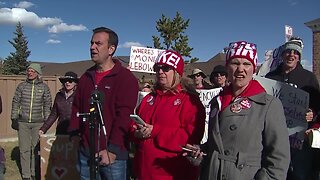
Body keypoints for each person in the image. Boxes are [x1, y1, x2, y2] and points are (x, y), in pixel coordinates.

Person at [184, 41, 290, 180]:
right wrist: (200, 152)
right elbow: (218, 144)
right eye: (235, 63)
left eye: (246, 64)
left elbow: (278, 159)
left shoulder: (269, 105)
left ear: (254, 69)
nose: (241, 69)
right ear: (228, 67)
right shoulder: (217, 102)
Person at [68, 27, 139, 180]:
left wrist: (112, 150)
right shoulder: (86, 77)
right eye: (91, 43)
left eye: (98, 44)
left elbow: (124, 117)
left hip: (112, 157)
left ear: (111, 49)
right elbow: (76, 108)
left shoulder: (126, 79)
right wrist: (74, 133)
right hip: (85, 153)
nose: (92, 47)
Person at [129, 50, 206, 180]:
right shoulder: (149, 99)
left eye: (165, 68)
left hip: (172, 173)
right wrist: (136, 132)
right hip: (144, 172)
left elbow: (190, 138)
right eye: (157, 68)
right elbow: (133, 124)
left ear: (177, 72)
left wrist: (156, 131)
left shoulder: (189, 100)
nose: (160, 72)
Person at [265, 37, 320, 180]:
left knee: (300, 173)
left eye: (295, 52)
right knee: (275, 171)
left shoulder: (308, 78)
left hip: (299, 137)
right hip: (274, 135)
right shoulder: (270, 77)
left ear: (299, 57)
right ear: (283, 55)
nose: (291, 55)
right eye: (288, 51)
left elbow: (318, 105)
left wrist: (312, 114)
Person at [11, 63, 52, 180]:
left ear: (38, 73)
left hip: (38, 123)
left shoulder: (44, 88)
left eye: (32, 71)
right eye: (28, 71)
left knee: (36, 149)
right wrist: (14, 118)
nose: (30, 73)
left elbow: (47, 105)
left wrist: (46, 123)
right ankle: (26, 175)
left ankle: (34, 173)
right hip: (23, 122)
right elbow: (15, 102)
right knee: (24, 149)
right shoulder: (21, 86)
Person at [39, 71, 78, 135]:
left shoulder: (79, 96)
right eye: (65, 81)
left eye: (70, 81)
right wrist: (43, 129)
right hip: (61, 130)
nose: (67, 83)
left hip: (75, 131)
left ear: (75, 83)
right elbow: (54, 114)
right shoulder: (59, 95)